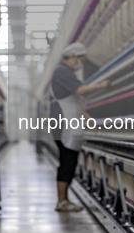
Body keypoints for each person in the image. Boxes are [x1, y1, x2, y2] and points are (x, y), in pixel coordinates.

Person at [50, 42, 110, 212]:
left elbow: (74, 103)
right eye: (81, 59)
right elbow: (81, 91)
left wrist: (87, 118)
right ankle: (62, 202)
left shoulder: (65, 72)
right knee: (67, 162)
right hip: (63, 123)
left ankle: (64, 201)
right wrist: (101, 86)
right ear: (73, 57)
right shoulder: (63, 71)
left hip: (67, 121)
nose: (81, 63)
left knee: (69, 161)